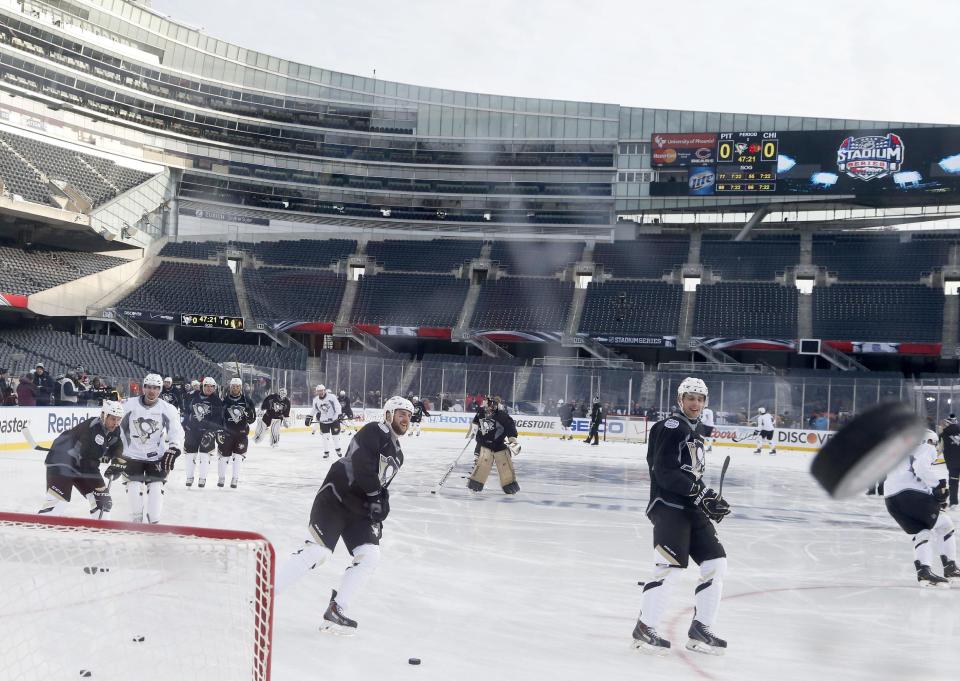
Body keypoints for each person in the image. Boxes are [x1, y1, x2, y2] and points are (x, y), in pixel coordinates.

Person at [275, 396, 413, 634]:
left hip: (359, 510)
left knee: (370, 555)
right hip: (336, 497)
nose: (406, 419)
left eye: (409, 415)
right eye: (401, 413)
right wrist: (374, 497)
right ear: (388, 414)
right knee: (318, 552)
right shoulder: (375, 430)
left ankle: (337, 609)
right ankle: (264, 595)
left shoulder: (398, 454)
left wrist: (381, 509)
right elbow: (361, 464)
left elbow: (381, 485)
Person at [632, 377, 730, 656]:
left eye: (700, 399)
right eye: (690, 397)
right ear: (680, 400)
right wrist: (700, 494)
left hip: (690, 507)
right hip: (668, 506)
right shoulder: (672, 427)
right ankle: (645, 626)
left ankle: (701, 629)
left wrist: (707, 496)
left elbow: (689, 475)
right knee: (670, 566)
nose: (695, 403)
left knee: (716, 562)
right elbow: (663, 471)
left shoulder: (693, 433)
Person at [884, 429, 959, 587]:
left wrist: (933, 492)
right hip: (909, 495)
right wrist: (938, 485)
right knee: (945, 525)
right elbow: (921, 468)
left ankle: (924, 572)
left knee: (922, 532)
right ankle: (951, 567)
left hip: (891, 500)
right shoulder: (926, 447)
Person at [38, 401, 125, 518]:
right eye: (113, 419)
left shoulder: (114, 430)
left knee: (103, 502)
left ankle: (99, 532)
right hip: (62, 462)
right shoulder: (94, 429)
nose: (115, 423)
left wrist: (118, 461)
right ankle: (42, 524)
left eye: (118, 419)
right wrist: (109, 458)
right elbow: (91, 459)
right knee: (57, 503)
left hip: (83, 465)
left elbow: (117, 445)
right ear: (104, 416)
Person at [119, 374, 184, 523]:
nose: (151, 391)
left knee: (155, 496)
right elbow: (118, 428)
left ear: (160, 389)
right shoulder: (129, 405)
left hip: (156, 457)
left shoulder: (168, 409)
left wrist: (174, 448)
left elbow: (177, 432)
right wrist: (116, 448)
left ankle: (153, 525)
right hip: (131, 456)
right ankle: (136, 524)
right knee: (134, 494)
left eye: (156, 388)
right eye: (148, 387)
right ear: (143, 388)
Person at [467, 396, 520, 494]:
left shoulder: (502, 416)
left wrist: (512, 439)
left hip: (498, 445)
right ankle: (475, 484)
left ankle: (510, 486)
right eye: (487, 405)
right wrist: (473, 430)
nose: (488, 408)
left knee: (504, 464)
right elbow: (476, 421)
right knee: (483, 464)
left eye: (490, 405)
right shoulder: (481, 412)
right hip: (484, 444)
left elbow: (510, 427)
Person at [183, 377, 224, 488]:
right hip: (192, 431)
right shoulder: (193, 397)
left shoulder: (217, 401)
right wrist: (184, 426)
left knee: (204, 455)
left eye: (212, 386)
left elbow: (218, 419)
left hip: (207, 432)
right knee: (190, 455)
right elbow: (186, 412)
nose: (209, 388)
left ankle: (202, 478)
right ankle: (189, 477)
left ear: (215, 388)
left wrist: (212, 431)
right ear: (203, 386)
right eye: (207, 385)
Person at [217, 377, 256, 488]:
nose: (235, 388)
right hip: (227, 433)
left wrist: (249, 415)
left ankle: (235, 478)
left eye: (237, 386)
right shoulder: (224, 401)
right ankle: (221, 477)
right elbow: (220, 417)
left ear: (240, 387)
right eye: (233, 386)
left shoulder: (247, 401)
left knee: (238, 457)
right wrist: (219, 430)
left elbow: (252, 419)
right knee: (224, 457)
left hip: (242, 433)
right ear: (230, 387)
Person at [310, 384, 343, 458]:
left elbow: (338, 406)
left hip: (334, 420)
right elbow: (314, 409)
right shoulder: (315, 400)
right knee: (325, 437)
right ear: (317, 392)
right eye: (319, 391)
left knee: (335, 436)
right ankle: (326, 452)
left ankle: (338, 449)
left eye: (322, 390)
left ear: (324, 390)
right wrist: (309, 417)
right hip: (324, 421)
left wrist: (337, 415)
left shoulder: (332, 397)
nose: (321, 392)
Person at [940, 414, 960, 508]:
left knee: (953, 482)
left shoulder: (943, 434)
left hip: (953, 463)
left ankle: (953, 502)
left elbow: (939, 448)